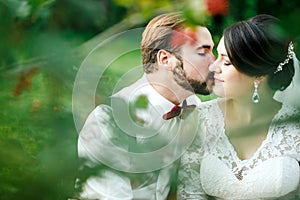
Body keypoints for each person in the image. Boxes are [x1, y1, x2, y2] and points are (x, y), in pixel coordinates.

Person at [76, 12, 215, 200]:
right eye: (203, 52)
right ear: (165, 59)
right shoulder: (109, 121)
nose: (214, 63)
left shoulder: (193, 108)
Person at [177, 14, 300, 199]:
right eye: (217, 56)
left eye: (226, 62)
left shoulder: (295, 128)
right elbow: (189, 193)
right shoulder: (200, 119)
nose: (213, 67)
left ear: (258, 75)